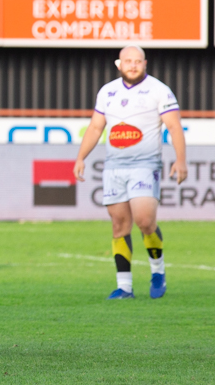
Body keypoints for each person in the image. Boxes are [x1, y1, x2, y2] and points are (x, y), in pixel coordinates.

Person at [74, 46, 185, 301]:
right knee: (119, 225)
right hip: (114, 166)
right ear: (118, 64)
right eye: (128, 61)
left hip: (146, 164)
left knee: (145, 221)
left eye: (137, 61)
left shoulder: (159, 90)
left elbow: (174, 126)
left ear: (145, 63)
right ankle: (124, 287)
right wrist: (81, 157)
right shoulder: (108, 91)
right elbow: (94, 127)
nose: (133, 65)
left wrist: (181, 160)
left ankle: (158, 270)